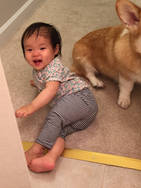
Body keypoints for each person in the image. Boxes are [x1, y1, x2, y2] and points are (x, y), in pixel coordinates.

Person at [15, 22, 98, 173]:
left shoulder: (54, 66)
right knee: (59, 131)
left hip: (81, 98)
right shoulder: (40, 69)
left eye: (42, 48)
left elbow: (51, 90)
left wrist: (31, 106)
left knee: (54, 117)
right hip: (84, 115)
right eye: (29, 49)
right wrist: (38, 84)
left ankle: (36, 150)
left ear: (55, 49)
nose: (35, 53)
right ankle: (50, 158)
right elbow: (48, 82)